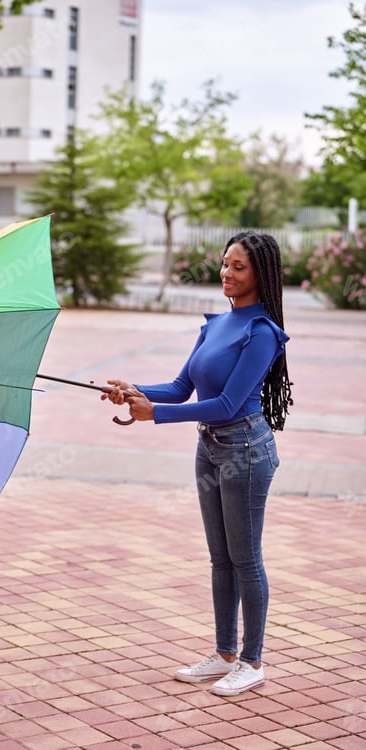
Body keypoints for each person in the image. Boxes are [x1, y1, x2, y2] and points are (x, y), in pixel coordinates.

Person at [102, 231, 292, 696]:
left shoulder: (262, 332)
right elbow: (181, 387)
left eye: (238, 267)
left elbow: (228, 404)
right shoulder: (214, 325)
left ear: (260, 274)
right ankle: (224, 652)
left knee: (246, 558)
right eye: (225, 264)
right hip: (209, 448)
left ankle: (252, 660)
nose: (226, 272)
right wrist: (135, 392)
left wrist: (156, 415)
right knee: (220, 558)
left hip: (246, 449)